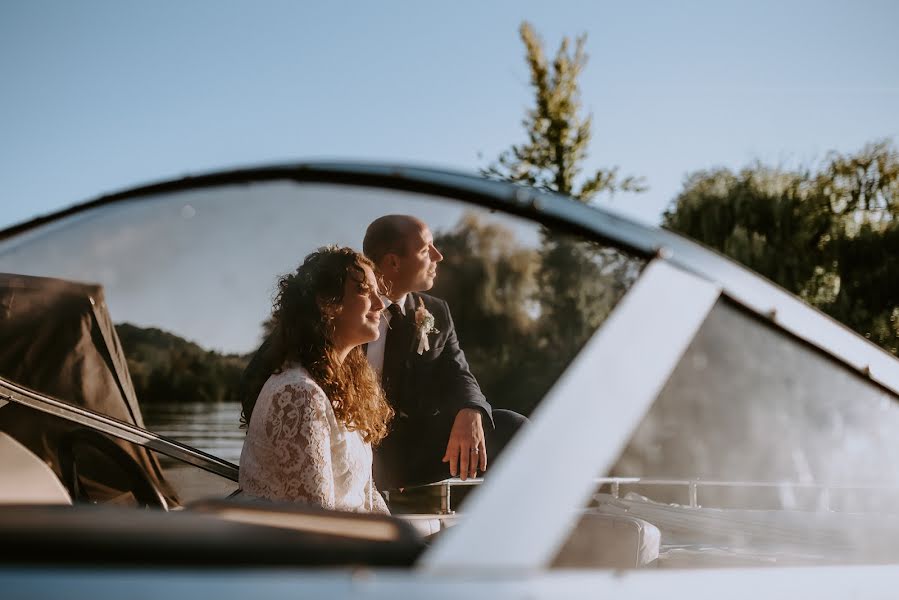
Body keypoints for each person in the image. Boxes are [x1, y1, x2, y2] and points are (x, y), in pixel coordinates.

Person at [363, 215, 527, 489]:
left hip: (404, 452)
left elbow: (459, 373)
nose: (438, 256)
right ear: (393, 262)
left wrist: (471, 409)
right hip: (342, 436)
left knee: (512, 426)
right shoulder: (345, 306)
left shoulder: (435, 311)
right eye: (426, 250)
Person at [239, 246, 393, 513]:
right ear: (327, 302)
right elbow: (316, 521)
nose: (380, 304)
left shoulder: (346, 389)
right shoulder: (298, 395)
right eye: (365, 291)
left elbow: (366, 492)